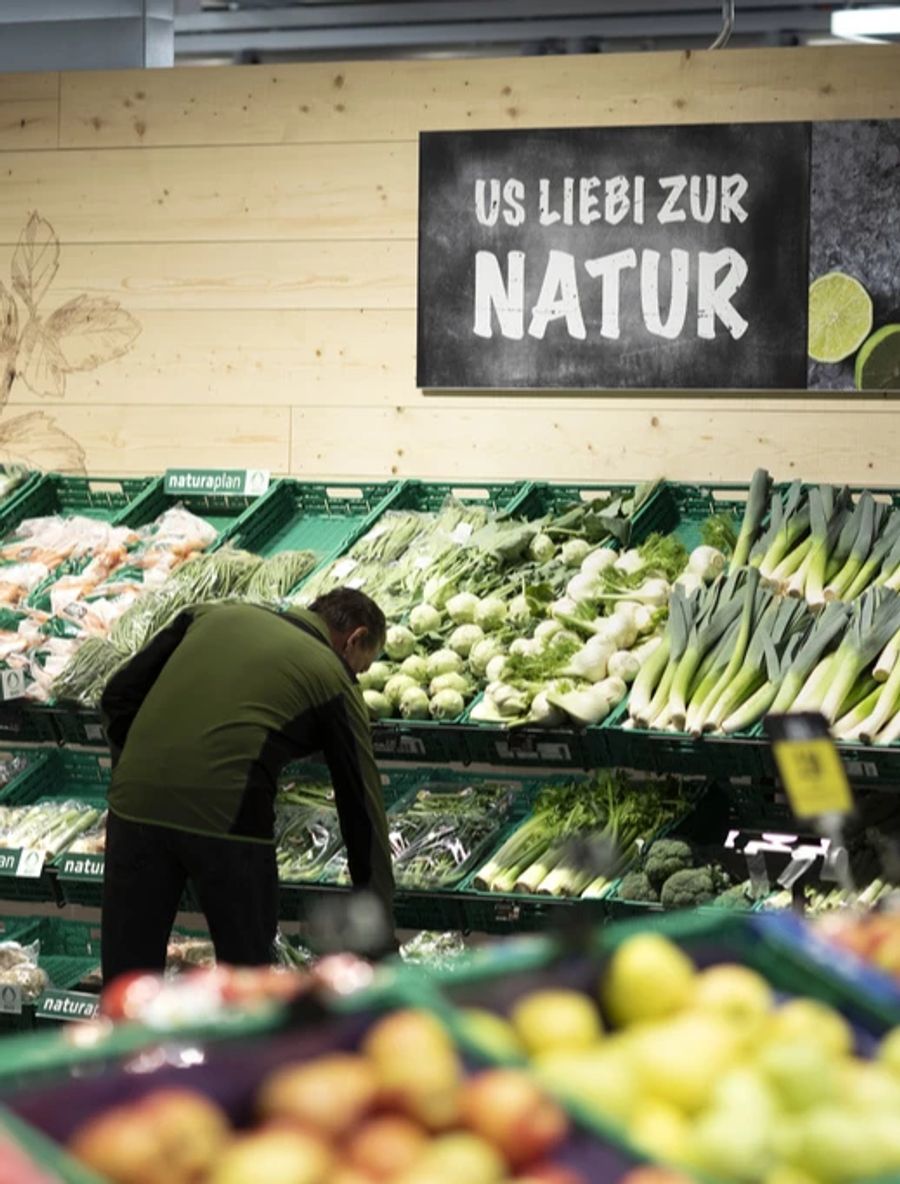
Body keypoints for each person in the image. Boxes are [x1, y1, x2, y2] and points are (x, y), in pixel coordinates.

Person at [99, 587, 394, 983]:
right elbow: (361, 807)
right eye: (362, 666)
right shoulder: (331, 676)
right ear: (355, 639)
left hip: (131, 806)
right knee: (248, 985)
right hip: (227, 817)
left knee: (128, 979)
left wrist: (134, 774)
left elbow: (116, 696)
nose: (356, 676)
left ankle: (121, 1045)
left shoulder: (208, 612)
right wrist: (377, 927)